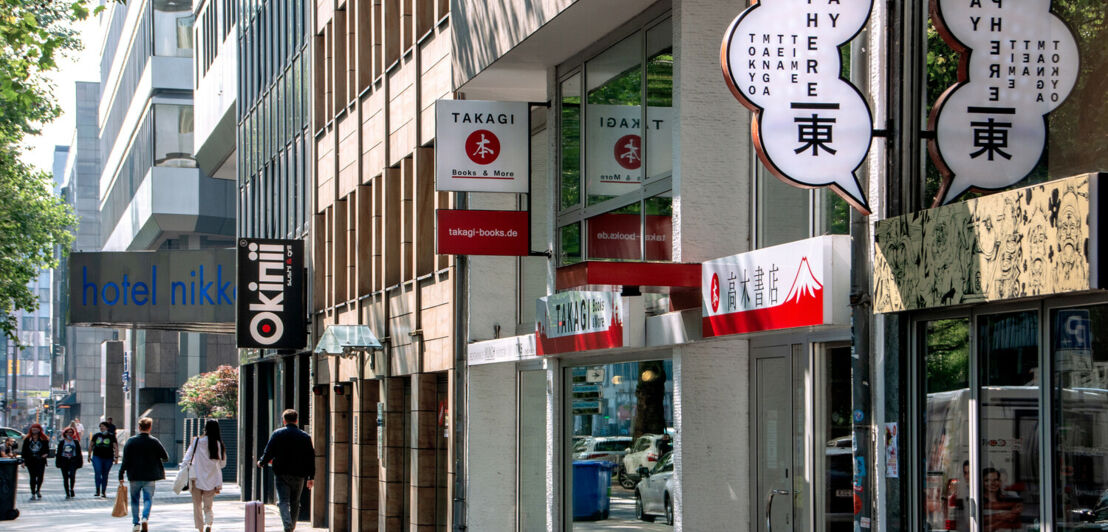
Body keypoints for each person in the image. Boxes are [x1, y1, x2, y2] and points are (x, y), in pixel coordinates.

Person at [258, 409, 316, 532]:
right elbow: (311, 458)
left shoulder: (277, 434)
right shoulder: (305, 436)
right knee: (295, 502)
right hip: (299, 474)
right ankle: (292, 526)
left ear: (284, 420)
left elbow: (268, 452)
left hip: (281, 473)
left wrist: (261, 462)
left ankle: (287, 525)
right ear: (296, 420)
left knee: (283, 501)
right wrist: (311, 477)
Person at [119, 417, 169, 532]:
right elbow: (165, 457)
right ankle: (145, 518)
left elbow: (125, 460)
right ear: (150, 428)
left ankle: (136, 524)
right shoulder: (154, 441)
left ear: (139, 427)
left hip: (134, 476)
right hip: (150, 476)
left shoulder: (131, 441)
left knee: (135, 500)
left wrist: (121, 474)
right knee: (148, 499)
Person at [182, 420, 228, 532]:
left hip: (196, 478)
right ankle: (208, 523)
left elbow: (187, 459)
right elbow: (223, 464)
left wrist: (183, 469)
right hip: (212, 480)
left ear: (205, 428)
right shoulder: (218, 444)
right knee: (208, 506)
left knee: (197, 505)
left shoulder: (197, 441)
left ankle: (200, 529)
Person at [982, 467, 1023, 531]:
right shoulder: (979, 502)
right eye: (987, 480)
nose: (992, 483)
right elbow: (982, 528)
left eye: (996, 480)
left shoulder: (1007, 500)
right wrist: (1004, 516)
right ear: (982, 483)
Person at [89, 421, 120, 497]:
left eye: (103, 426)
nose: (101, 428)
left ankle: (103, 491)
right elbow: (91, 445)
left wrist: (116, 457)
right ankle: (97, 490)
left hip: (108, 457)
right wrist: (89, 455)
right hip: (97, 456)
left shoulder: (111, 436)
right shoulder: (96, 435)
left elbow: (116, 447)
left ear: (107, 428)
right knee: (98, 472)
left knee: (105, 474)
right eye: (100, 427)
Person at [20, 423, 49, 499]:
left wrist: (44, 455)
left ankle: (38, 490)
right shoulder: (27, 439)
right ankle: (33, 492)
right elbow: (24, 451)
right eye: (33, 429)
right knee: (32, 477)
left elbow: (47, 450)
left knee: (40, 476)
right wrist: (23, 461)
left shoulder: (44, 439)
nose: (34, 431)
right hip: (30, 461)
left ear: (39, 430)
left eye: (36, 429)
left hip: (40, 460)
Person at [55, 426, 83, 498]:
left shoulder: (75, 442)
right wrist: (58, 462)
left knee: (72, 475)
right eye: (68, 432)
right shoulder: (62, 442)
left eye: (71, 432)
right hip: (64, 460)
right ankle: (67, 491)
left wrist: (80, 462)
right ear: (65, 433)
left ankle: (71, 488)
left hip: (73, 460)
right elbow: (58, 453)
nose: (69, 434)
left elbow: (79, 453)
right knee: (65, 477)